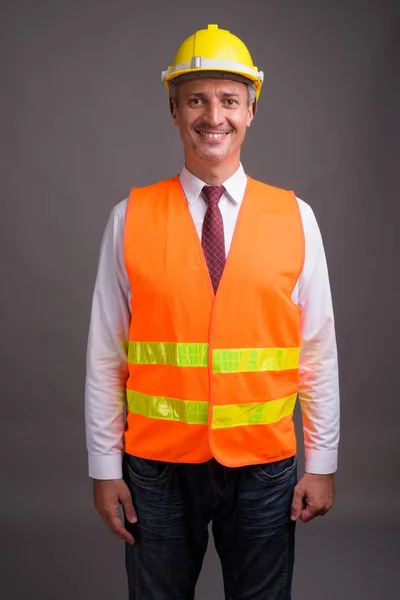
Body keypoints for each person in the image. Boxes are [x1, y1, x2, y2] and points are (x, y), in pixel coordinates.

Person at [85, 23, 340, 600]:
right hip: (157, 466)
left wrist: (322, 462)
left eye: (229, 99)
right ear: (173, 109)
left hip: (264, 466)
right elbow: (107, 354)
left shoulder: (296, 218)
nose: (213, 116)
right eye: (196, 99)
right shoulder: (130, 217)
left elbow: (316, 350)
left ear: (252, 109)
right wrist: (105, 468)